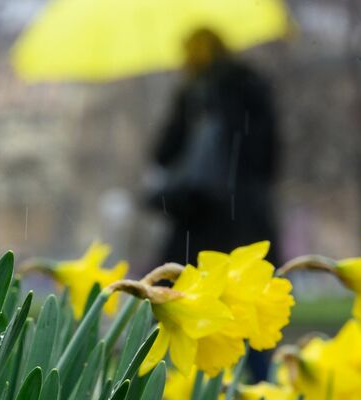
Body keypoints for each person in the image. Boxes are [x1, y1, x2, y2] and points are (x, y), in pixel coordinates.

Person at [147, 28, 280, 381]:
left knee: (189, 308)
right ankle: (264, 386)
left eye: (191, 50)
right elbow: (269, 158)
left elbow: (162, 154)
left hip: (203, 218)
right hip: (237, 217)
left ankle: (180, 384)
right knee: (247, 319)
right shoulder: (247, 89)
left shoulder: (203, 93)